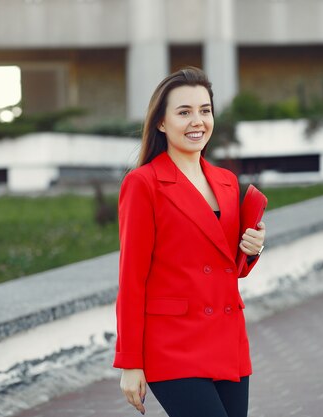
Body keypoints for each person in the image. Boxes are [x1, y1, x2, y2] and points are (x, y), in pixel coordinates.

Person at [114, 66, 266, 417]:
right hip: (173, 345)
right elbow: (131, 279)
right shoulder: (144, 183)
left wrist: (251, 250)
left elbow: (228, 266)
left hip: (228, 341)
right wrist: (130, 363)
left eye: (205, 110)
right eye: (184, 112)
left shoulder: (226, 181)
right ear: (162, 123)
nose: (197, 121)